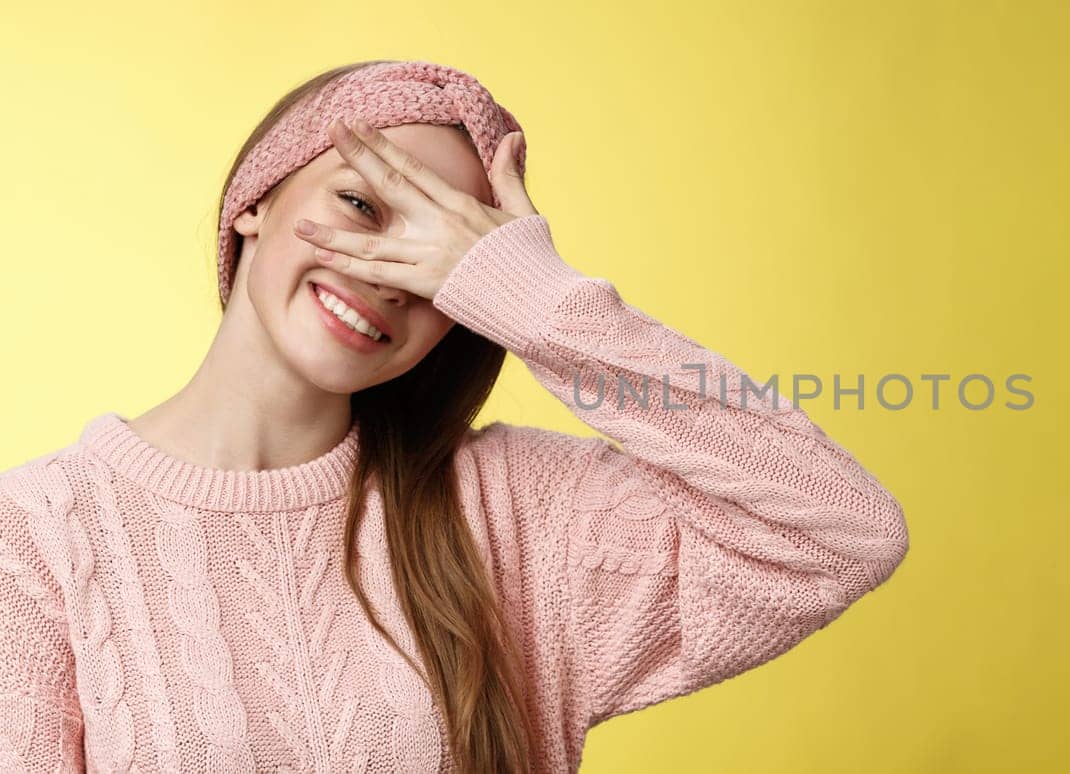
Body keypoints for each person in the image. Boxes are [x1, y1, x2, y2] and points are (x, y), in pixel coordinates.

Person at [0, 59, 910, 773]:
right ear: (255, 203)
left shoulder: (514, 513)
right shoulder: (36, 537)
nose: (388, 276)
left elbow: (841, 529)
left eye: (442, 260)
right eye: (361, 205)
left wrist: (539, 300)